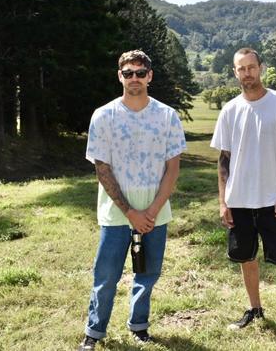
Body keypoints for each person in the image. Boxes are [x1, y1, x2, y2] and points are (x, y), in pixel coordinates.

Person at [210, 48, 276, 350]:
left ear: (261, 68)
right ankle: (254, 309)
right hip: (239, 201)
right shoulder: (230, 110)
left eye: (252, 67)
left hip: (272, 202)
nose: (247, 73)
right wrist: (223, 201)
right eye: (241, 69)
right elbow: (223, 160)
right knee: (247, 258)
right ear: (235, 73)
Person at [78, 50, 186, 350]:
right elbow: (102, 168)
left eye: (140, 72)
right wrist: (129, 212)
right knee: (106, 277)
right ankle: (94, 332)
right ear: (120, 76)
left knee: (147, 274)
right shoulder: (104, 116)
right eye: (129, 73)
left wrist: (151, 210)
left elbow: (172, 169)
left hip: (155, 214)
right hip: (115, 215)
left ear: (150, 76)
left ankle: (139, 326)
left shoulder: (167, 116)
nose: (134, 78)